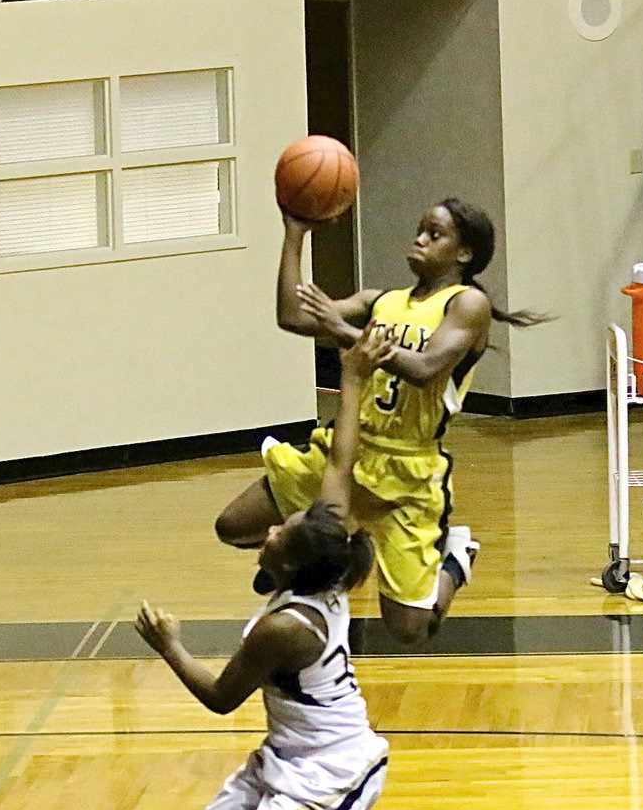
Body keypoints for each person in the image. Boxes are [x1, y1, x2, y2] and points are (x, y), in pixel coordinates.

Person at [39, 325, 392, 810]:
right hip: (290, 757)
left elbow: (221, 699)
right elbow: (340, 463)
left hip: (332, 771)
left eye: (277, 532)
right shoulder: (324, 560)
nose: (268, 528)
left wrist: (168, 644)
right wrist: (351, 375)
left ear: (290, 562)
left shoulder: (284, 629)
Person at [215, 197, 546, 644]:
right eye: (420, 229)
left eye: (435, 234)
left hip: (408, 469)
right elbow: (291, 317)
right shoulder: (380, 301)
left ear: (463, 254)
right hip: (348, 451)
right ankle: (306, 565)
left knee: (410, 630)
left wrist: (343, 331)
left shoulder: (467, 304)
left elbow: (427, 368)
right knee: (233, 526)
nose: (419, 239)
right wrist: (295, 233)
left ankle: (456, 557)